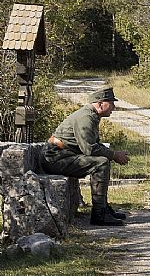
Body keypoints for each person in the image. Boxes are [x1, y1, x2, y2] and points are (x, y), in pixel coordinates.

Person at [41, 86, 130, 226]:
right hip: (55, 159)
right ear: (100, 104)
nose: (114, 107)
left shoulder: (91, 116)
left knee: (103, 160)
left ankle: (103, 208)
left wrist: (112, 155)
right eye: (111, 103)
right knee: (101, 163)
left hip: (61, 156)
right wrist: (114, 155)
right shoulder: (86, 117)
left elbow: (94, 145)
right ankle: (99, 214)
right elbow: (89, 149)